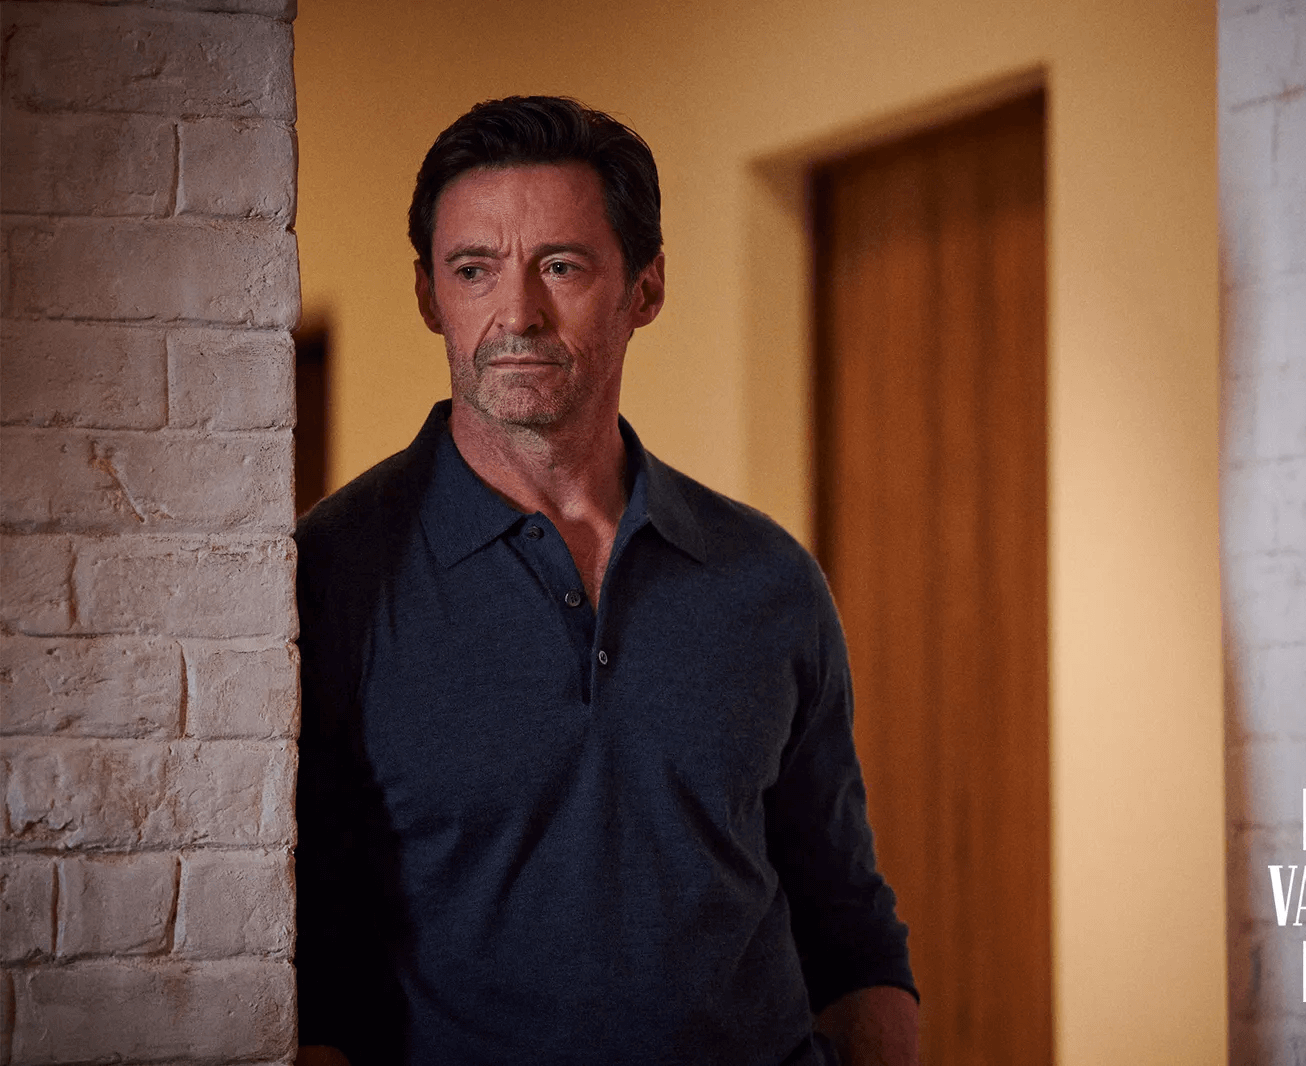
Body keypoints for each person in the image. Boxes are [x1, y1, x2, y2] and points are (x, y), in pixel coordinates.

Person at [293, 96, 918, 1066]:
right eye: (474, 269)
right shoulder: (332, 578)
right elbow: (307, 961)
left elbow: (847, 921)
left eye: (561, 266)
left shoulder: (769, 580)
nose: (517, 314)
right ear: (428, 295)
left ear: (646, 286)